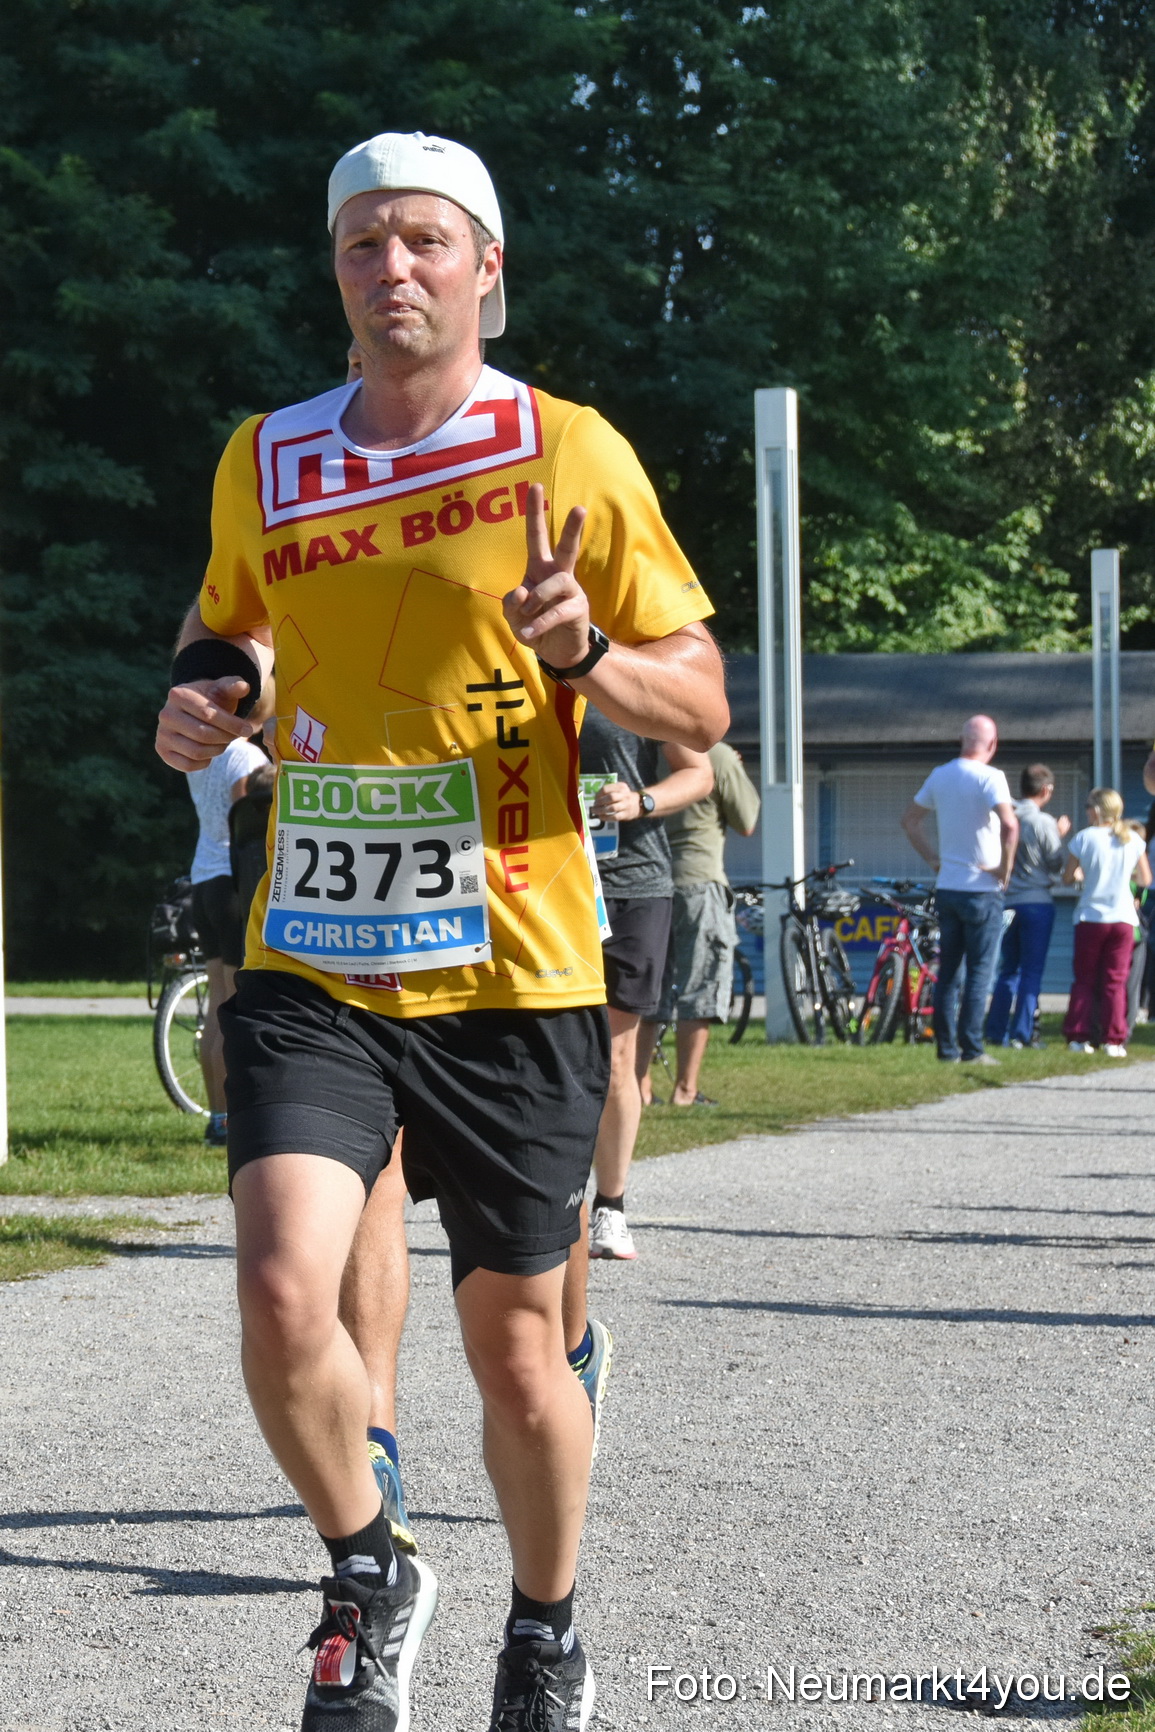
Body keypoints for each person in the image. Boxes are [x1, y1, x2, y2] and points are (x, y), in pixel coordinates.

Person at [155, 129, 727, 1732]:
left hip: (516, 963)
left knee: (521, 1359)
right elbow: (232, 629)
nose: (388, 270)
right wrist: (204, 699)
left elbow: (699, 699)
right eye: (360, 246)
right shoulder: (266, 454)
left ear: (485, 268)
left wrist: (588, 650)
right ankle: (368, 1570)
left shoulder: (568, 450)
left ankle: (544, 1628)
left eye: (422, 242)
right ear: (335, 271)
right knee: (283, 1291)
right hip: (314, 956)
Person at [574, 713, 713, 1260]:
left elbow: (698, 773)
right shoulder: (514, 661)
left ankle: (610, 1204)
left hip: (630, 883)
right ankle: (544, 1200)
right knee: (533, 1048)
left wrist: (642, 801)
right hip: (538, 878)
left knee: (614, 1056)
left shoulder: (634, 669)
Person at [636, 740, 760, 1106]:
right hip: (699, 882)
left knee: (649, 990)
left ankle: (639, 1086)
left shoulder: (643, 750)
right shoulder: (715, 755)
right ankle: (686, 1090)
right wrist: (731, 767)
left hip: (649, 882)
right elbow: (747, 820)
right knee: (700, 986)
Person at [900, 714, 1019, 1065]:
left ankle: (946, 1049)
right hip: (982, 889)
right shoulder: (991, 777)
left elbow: (909, 821)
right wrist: (1004, 869)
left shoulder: (941, 775)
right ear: (992, 745)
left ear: (962, 740)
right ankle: (972, 1049)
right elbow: (1010, 826)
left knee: (948, 971)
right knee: (980, 971)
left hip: (948, 886)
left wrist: (935, 860)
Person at [185, 727, 268, 1144]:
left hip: (202, 878)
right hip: (233, 881)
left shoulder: (205, 751)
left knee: (216, 1003)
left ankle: (218, 1118)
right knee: (234, 1007)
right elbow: (245, 825)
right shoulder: (247, 759)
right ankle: (234, 1120)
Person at [984, 763, 1070, 1049]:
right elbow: (1056, 861)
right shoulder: (1042, 822)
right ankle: (1022, 1033)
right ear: (1045, 789)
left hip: (1007, 902)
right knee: (1031, 971)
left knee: (1008, 970)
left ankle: (995, 1031)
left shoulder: (1003, 818)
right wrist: (1059, 833)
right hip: (1036, 901)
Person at [1062, 788, 1151, 1057]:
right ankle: (1114, 1039)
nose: (1087, 810)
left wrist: (1082, 875)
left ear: (1098, 810)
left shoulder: (1083, 838)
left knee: (1085, 979)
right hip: (1123, 918)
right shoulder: (1133, 839)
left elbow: (1068, 877)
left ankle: (1080, 1036)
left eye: (1089, 806)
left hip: (1091, 917)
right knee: (1116, 982)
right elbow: (1145, 879)